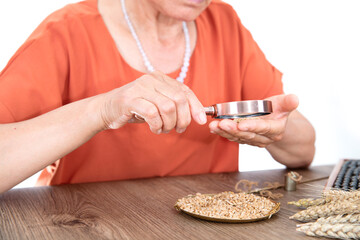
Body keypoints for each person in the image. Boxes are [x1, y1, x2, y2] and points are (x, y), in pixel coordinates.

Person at [0, 0, 316, 193]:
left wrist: (277, 132)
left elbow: (304, 152)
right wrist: (103, 108)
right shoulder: (65, 33)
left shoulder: (225, 23)